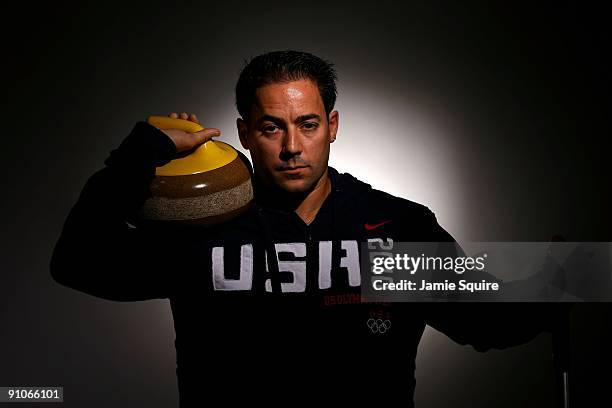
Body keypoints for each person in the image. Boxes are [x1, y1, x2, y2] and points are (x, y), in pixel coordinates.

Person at [50, 50, 563, 407]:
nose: (292, 146)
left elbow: (489, 320)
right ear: (245, 133)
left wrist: (564, 276)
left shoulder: (389, 225)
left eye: (308, 124)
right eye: (272, 127)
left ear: (332, 126)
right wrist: (138, 156)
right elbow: (78, 262)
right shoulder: (206, 229)